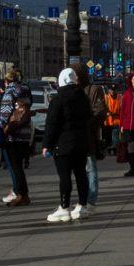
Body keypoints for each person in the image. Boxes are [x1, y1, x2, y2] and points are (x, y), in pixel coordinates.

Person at [42, 67, 93, 222]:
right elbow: (89, 118)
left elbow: (52, 124)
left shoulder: (58, 99)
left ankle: (64, 207)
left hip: (62, 144)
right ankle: (82, 206)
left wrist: (47, 145)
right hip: (81, 143)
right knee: (81, 175)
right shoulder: (83, 97)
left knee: (65, 177)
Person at [0, 69, 33, 207]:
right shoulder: (26, 90)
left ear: (7, 81)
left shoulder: (9, 92)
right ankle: (24, 195)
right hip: (25, 133)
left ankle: (21, 195)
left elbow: (5, 114)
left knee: (15, 166)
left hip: (12, 135)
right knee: (19, 166)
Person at [76, 67, 102, 205]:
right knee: (80, 170)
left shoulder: (94, 89)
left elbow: (100, 112)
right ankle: (83, 199)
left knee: (90, 168)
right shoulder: (73, 91)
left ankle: (91, 199)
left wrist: (87, 124)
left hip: (88, 135)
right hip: (74, 138)